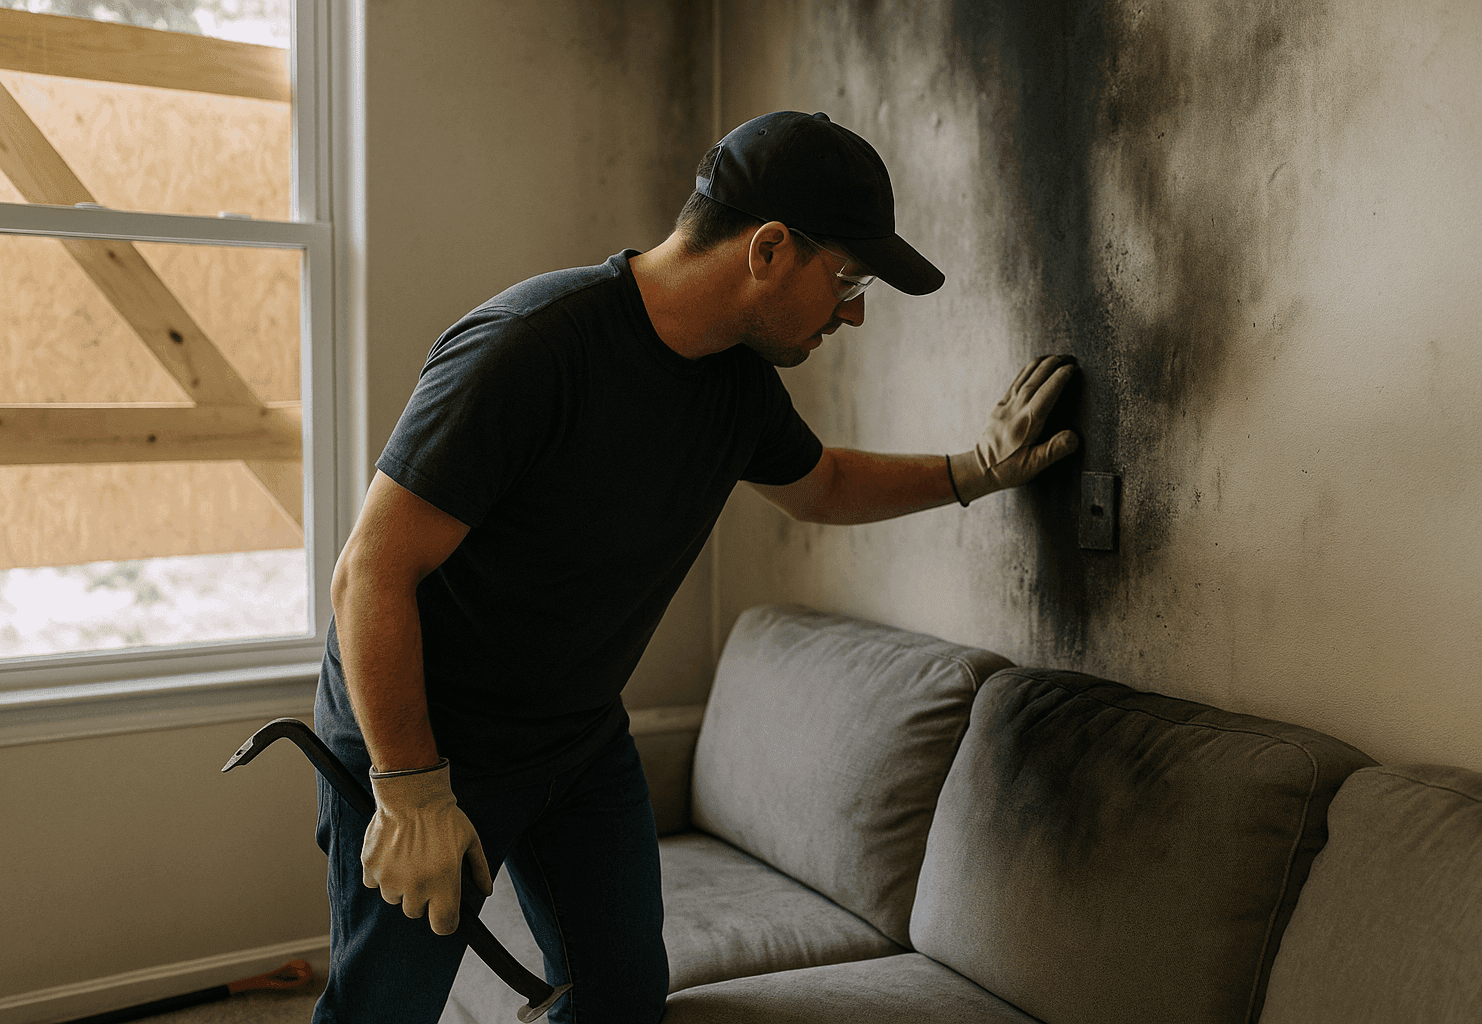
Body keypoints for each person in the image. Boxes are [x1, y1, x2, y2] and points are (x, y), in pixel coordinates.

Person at [311, 110, 1079, 1024]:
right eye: (848, 277)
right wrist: (408, 790)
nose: (856, 310)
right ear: (767, 249)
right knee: (381, 1011)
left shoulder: (738, 384)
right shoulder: (530, 347)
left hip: (575, 742)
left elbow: (822, 484)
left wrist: (978, 471)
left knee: (622, 999)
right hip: (430, 741)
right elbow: (370, 574)